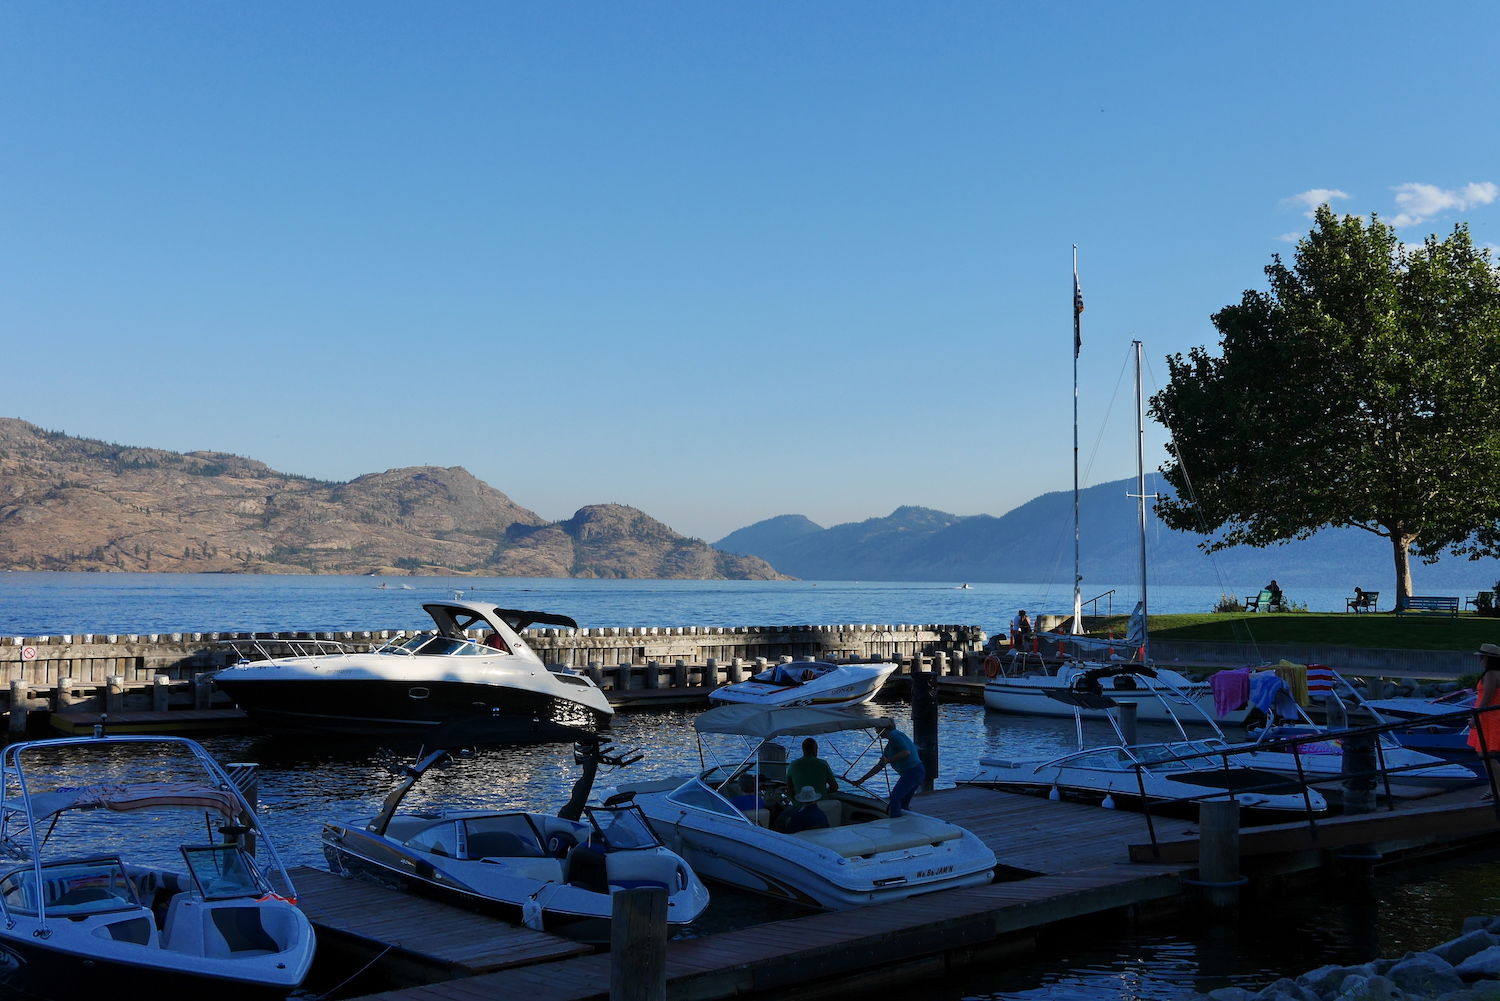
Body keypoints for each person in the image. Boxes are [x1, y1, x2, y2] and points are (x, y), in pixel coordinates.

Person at [856, 725, 925, 818]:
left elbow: (906, 752)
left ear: (884, 728)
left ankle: (895, 822)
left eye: (877, 729)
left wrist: (888, 760)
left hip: (913, 771)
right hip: (916, 771)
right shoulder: (889, 748)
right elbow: (879, 766)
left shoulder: (894, 734)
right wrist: (862, 779)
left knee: (895, 798)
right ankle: (907, 822)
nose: (876, 732)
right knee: (903, 802)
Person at [1468, 643, 1500, 794]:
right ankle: (1493, 787)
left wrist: (1476, 716)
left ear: (1487, 658)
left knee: (1486, 755)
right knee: (1487, 755)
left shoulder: (1491, 674)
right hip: (1491, 716)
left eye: (1482, 657)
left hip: (1488, 717)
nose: (1481, 660)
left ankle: (1496, 788)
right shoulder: (1495, 673)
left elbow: (1487, 696)